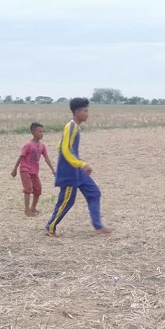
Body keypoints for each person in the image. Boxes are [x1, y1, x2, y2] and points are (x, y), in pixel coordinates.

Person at [46, 98, 111, 237]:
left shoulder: (74, 127)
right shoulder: (71, 127)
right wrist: (81, 164)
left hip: (76, 169)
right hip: (69, 171)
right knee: (67, 201)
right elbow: (65, 150)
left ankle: (98, 226)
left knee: (94, 192)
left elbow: (60, 145)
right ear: (77, 112)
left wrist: (78, 163)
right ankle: (50, 227)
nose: (88, 114)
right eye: (85, 111)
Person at [11, 123, 56, 217]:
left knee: (38, 189)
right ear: (33, 133)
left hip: (34, 171)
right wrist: (15, 169)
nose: (42, 133)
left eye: (42, 132)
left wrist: (52, 169)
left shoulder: (42, 146)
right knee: (28, 188)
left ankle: (33, 207)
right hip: (25, 169)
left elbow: (46, 158)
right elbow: (21, 157)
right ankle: (27, 210)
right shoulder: (28, 145)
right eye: (39, 132)